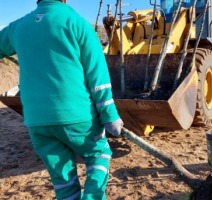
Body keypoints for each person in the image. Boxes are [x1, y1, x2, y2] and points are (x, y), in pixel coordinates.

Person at [0, 0, 124, 199]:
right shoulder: (77, 23)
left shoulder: (18, 26)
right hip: (77, 117)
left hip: (37, 121)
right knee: (98, 156)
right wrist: (110, 115)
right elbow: (98, 77)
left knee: (63, 181)